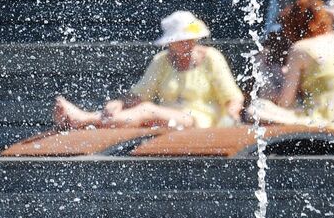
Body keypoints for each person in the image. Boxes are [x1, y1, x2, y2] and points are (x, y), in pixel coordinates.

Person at [53, 10, 244, 130]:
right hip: (167, 120)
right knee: (140, 112)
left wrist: (228, 122)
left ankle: (84, 119)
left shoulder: (211, 57)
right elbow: (140, 95)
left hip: (202, 122)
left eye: (189, 39)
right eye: (180, 40)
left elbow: (233, 98)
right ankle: (88, 120)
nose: (186, 43)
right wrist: (119, 103)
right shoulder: (161, 61)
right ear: (171, 42)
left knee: (146, 111)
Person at [249, 0, 334, 132]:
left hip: (324, 121)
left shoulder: (300, 49)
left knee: (256, 108)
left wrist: (272, 91)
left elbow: (286, 102)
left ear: (292, 27)